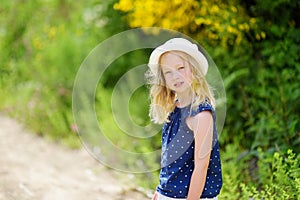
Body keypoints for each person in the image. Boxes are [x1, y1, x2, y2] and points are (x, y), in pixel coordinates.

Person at [147, 38, 222, 200]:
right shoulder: (174, 109)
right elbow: (170, 160)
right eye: (168, 71)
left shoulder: (201, 116)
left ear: (194, 71)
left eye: (180, 68)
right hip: (169, 195)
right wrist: (160, 190)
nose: (175, 76)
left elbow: (201, 168)